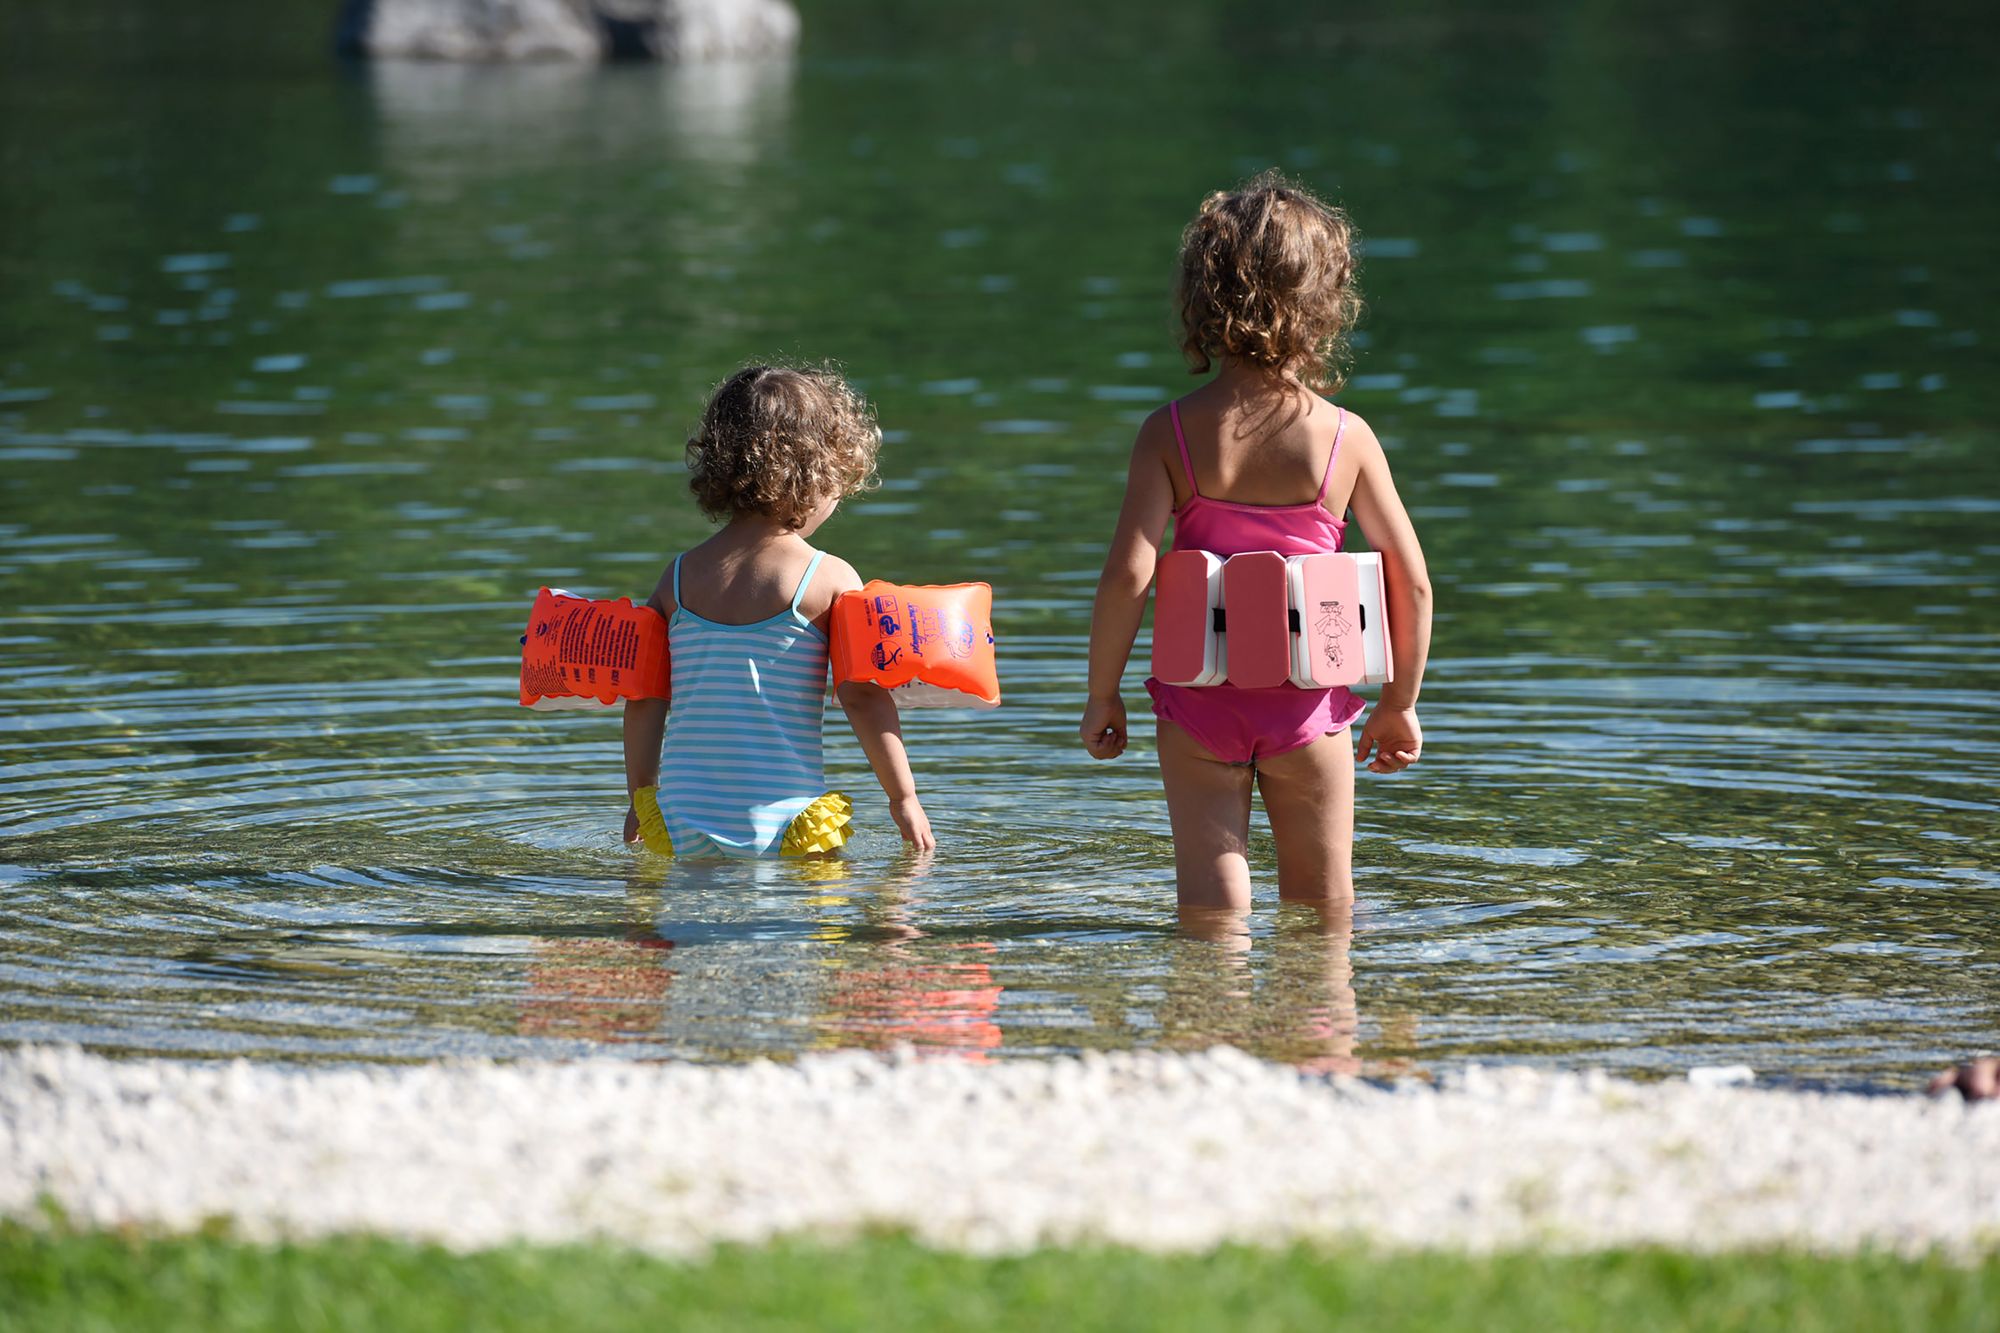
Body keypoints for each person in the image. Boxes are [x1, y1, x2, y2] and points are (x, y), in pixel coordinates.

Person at [1080, 170, 1432, 910]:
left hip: (1198, 701)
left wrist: (1102, 692)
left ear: (1202, 297)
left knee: (1212, 904)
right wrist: (1400, 700)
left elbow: (1126, 576)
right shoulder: (1346, 438)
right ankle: (1320, 1022)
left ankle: (1211, 1019)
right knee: (1323, 903)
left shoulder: (1169, 432)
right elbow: (1412, 579)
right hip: (1305, 705)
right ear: (1325, 305)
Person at [622, 364, 936, 857]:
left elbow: (643, 698)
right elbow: (862, 699)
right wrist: (904, 798)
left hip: (679, 817)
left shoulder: (678, 577)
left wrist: (640, 797)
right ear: (819, 473)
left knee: (686, 925)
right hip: (786, 823)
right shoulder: (827, 578)